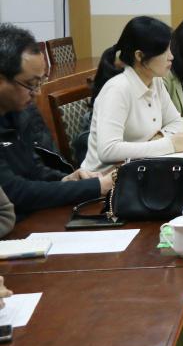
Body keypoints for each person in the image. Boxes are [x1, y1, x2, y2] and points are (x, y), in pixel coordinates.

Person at [0, 23, 112, 218]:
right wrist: (96, 187)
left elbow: (34, 170)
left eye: (40, 82)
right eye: (30, 84)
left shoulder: (20, 112)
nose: (37, 93)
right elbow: (15, 192)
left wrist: (66, 180)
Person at [82, 17, 183, 173]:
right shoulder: (118, 89)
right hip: (106, 180)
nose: (171, 56)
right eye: (164, 51)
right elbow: (108, 150)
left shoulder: (156, 81)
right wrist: (167, 144)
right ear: (139, 56)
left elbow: (176, 122)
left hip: (141, 171)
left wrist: (160, 137)